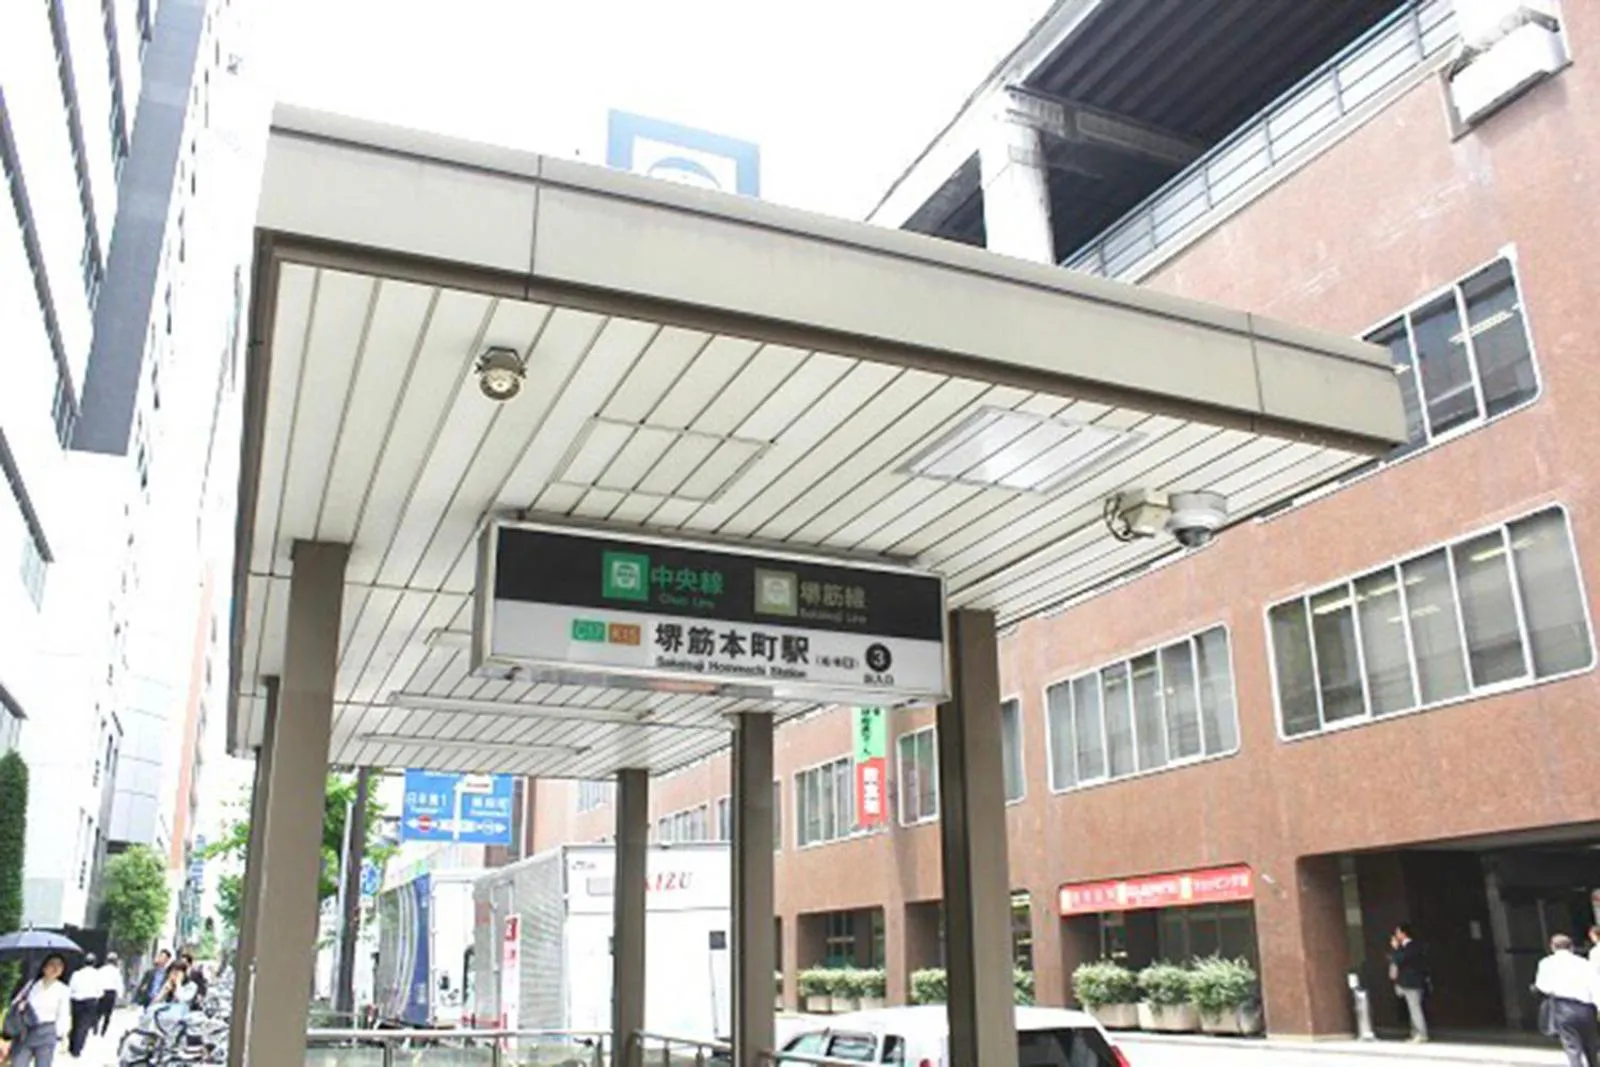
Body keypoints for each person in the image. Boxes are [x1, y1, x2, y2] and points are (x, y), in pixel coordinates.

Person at [1536, 933, 1600, 1067]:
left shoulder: (1546, 963)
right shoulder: (1584, 963)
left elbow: (1542, 986)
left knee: (1572, 1047)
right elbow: (1595, 986)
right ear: (1571, 947)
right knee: (1591, 1045)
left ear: (1552, 947)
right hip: (1586, 1009)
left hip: (1563, 1008)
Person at [4, 953, 71, 1067]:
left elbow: (63, 1014)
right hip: (26, 1031)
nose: (56, 968)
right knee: (18, 1063)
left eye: (60, 965)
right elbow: (15, 1002)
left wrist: (62, 1036)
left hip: (47, 1032)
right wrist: (21, 1006)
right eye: (52, 964)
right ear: (44, 967)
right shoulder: (31, 985)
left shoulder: (63, 990)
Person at [1388, 923, 1429, 1043]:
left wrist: (1395, 949)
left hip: (1411, 982)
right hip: (1409, 982)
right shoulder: (1408, 947)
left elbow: (1400, 959)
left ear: (1404, 933)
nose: (1396, 935)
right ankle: (1415, 1033)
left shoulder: (1411, 947)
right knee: (1412, 1008)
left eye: (1398, 932)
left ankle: (1421, 1033)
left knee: (1415, 1008)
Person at [64, 958, 99, 1057]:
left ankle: (71, 1046)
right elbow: (100, 990)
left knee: (75, 1023)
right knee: (83, 1026)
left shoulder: (76, 974)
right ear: (94, 963)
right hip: (90, 1001)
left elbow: (71, 987)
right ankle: (77, 1049)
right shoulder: (97, 974)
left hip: (76, 1001)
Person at [92, 957, 120, 1037]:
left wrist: (96, 992)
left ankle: (95, 1029)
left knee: (98, 1012)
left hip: (102, 992)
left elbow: (96, 981)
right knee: (108, 1014)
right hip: (111, 993)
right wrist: (119, 995)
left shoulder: (101, 970)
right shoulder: (116, 971)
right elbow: (118, 984)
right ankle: (103, 1032)